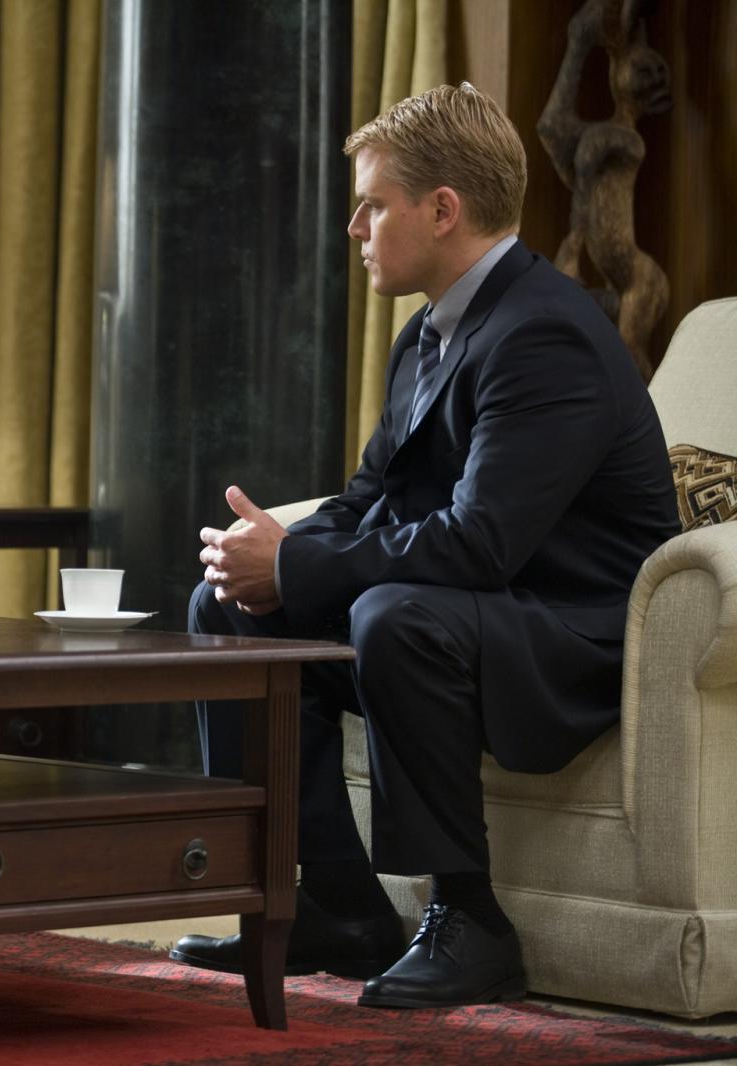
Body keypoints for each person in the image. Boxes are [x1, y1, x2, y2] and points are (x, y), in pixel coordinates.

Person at [169, 83, 679, 1008]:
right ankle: (331, 908)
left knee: (392, 614)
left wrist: (299, 565)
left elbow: (483, 543)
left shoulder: (545, 334)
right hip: (480, 613)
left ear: (443, 211)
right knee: (227, 605)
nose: (354, 227)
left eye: (372, 204)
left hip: (576, 634)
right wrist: (272, 553)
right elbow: (372, 499)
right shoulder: (427, 335)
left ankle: (472, 922)